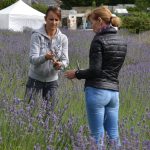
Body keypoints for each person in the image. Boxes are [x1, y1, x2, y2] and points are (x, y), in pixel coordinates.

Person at [64, 6, 127, 149]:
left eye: (92, 22)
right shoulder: (122, 41)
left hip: (97, 92)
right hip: (114, 94)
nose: (91, 27)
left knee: (97, 136)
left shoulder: (98, 40)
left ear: (100, 21)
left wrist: (77, 74)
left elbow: (95, 71)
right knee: (113, 134)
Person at [25, 6, 69, 109]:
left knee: (49, 114)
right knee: (29, 112)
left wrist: (60, 65)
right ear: (45, 19)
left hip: (52, 81)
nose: (54, 22)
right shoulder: (36, 36)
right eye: (51, 19)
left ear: (59, 21)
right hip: (35, 80)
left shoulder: (63, 38)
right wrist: (45, 57)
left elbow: (65, 60)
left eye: (56, 20)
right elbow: (32, 59)